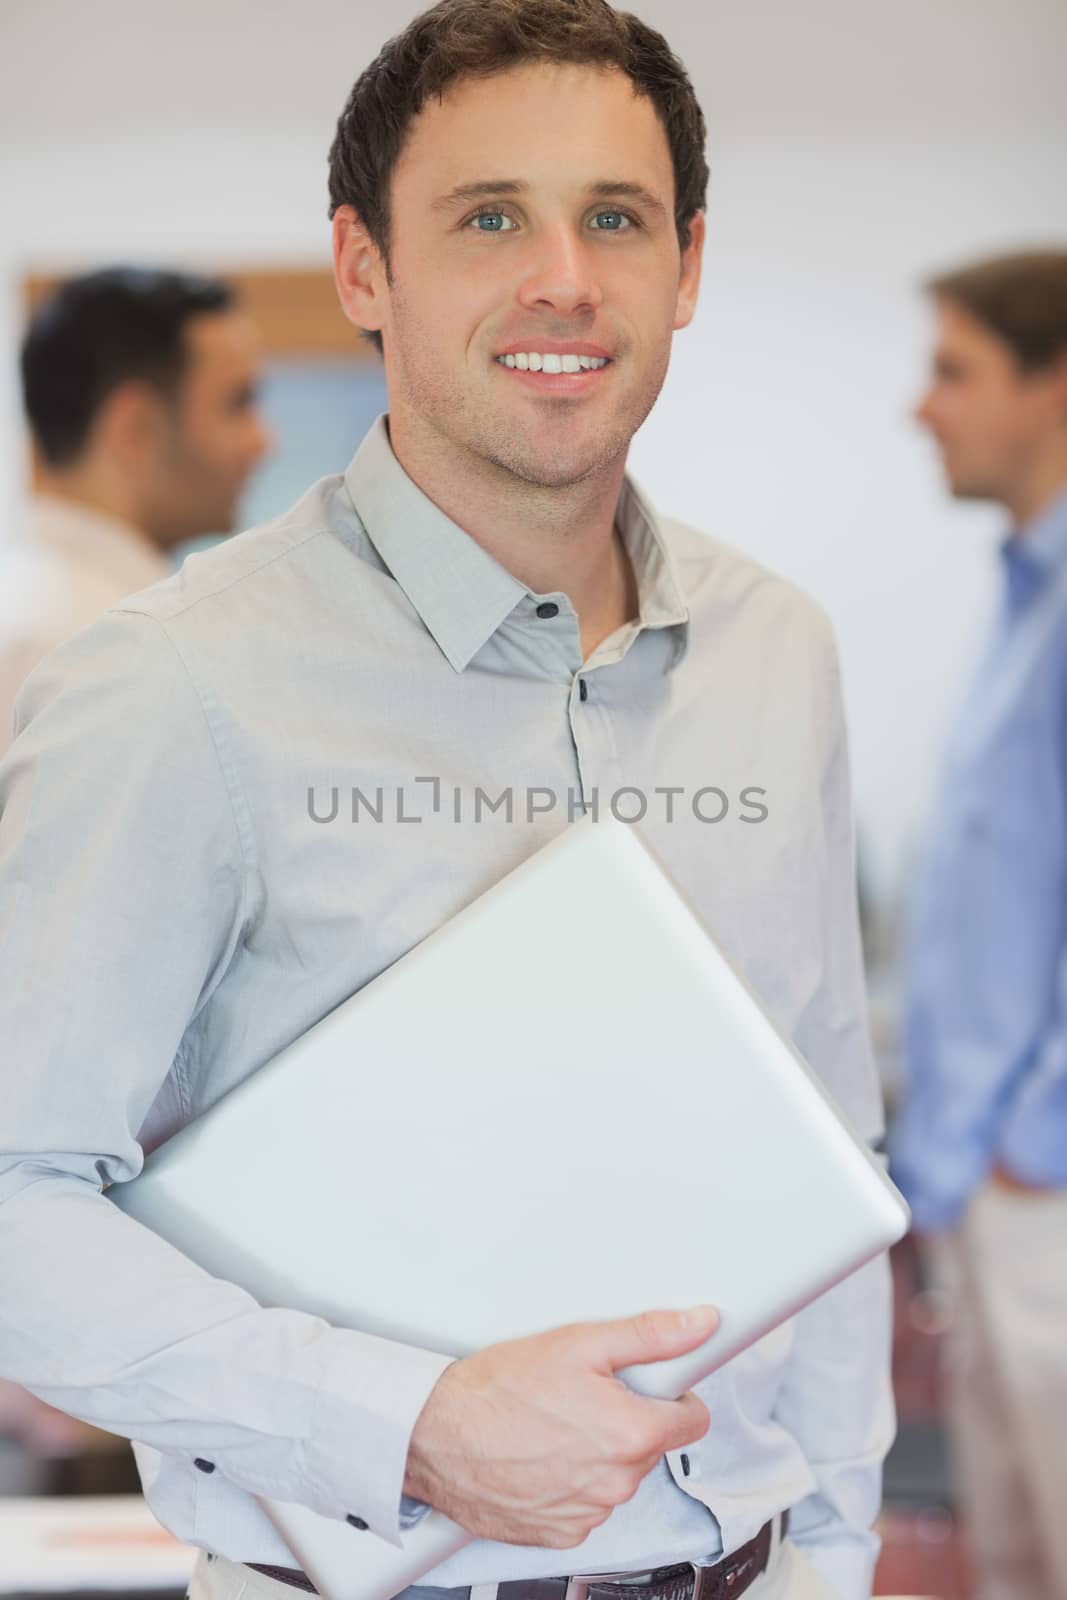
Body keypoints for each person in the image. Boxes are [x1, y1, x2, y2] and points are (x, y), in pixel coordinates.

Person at [0, 5, 892, 1599]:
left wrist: (831, 1546)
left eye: (611, 218)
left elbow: (824, 1146)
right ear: (362, 268)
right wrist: (402, 1421)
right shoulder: (171, 687)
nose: (561, 277)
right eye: (488, 218)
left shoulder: (778, 655)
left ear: (684, 266)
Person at [891, 249, 1067, 1600]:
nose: (919, 408)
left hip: (1044, 1191)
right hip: (992, 1203)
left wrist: (1029, 1143)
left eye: (952, 372)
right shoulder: (1024, 600)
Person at [0, 266, 272, 753]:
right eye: (238, 404)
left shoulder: (33, 607)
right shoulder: (98, 643)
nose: (264, 441)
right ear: (136, 427)